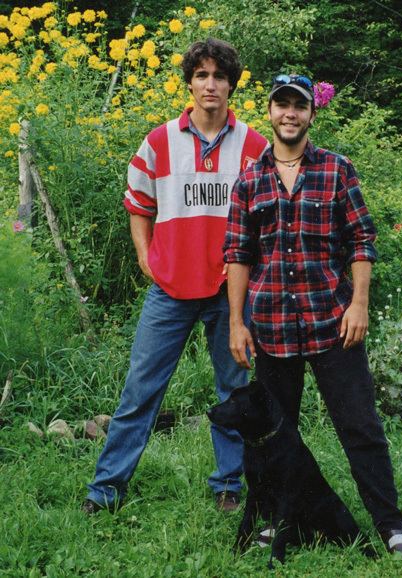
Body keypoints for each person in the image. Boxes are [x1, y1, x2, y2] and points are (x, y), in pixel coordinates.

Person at [223, 74, 402, 555]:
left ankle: (391, 525)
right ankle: (271, 520)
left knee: (361, 427)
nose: (290, 114)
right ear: (269, 112)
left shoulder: (336, 169)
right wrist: (236, 322)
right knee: (274, 434)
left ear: (312, 113)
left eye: (299, 106)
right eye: (281, 105)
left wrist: (359, 304)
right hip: (271, 329)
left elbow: (362, 240)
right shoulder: (249, 180)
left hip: (333, 324)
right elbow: (238, 254)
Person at [82, 38, 268, 515]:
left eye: (219, 76)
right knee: (140, 391)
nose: (211, 84)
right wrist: (146, 258)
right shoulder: (159, 141)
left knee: (234, 392)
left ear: (232, 85)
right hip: (169, 289)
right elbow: (138, 206)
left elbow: (268, 216)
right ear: (190, 82)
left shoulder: (254, 145)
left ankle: (229, 485)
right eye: (202, 75)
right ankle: (106, 491)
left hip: (231, 293)